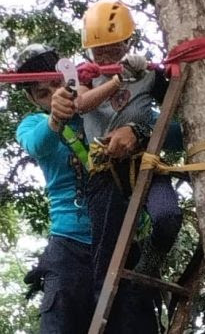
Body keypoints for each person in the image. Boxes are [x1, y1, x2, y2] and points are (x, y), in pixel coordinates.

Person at [14, 44, 144, 333]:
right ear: (32, 100)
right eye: (42, 94)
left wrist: (136, 131)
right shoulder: (33, 124)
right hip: (69, 246)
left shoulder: (105, 107)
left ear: (69, 75)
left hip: (122, 240)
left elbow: (171, 132)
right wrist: (56, 118)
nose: (52, 95)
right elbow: (37, 144)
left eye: (56, 84)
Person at [78, 0, 184, 333]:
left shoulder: (148, 74)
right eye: (99, 51)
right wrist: (118, 78)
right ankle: (106, 322)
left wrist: (163, 74)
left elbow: (176, 108)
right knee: (106, 258)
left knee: (168, 217)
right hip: (104, 173)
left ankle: (148, 270)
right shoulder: (84, 74)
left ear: (127, 42)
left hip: (145, 163)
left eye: (113, 49)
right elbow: (81, 104)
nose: (105, 57)